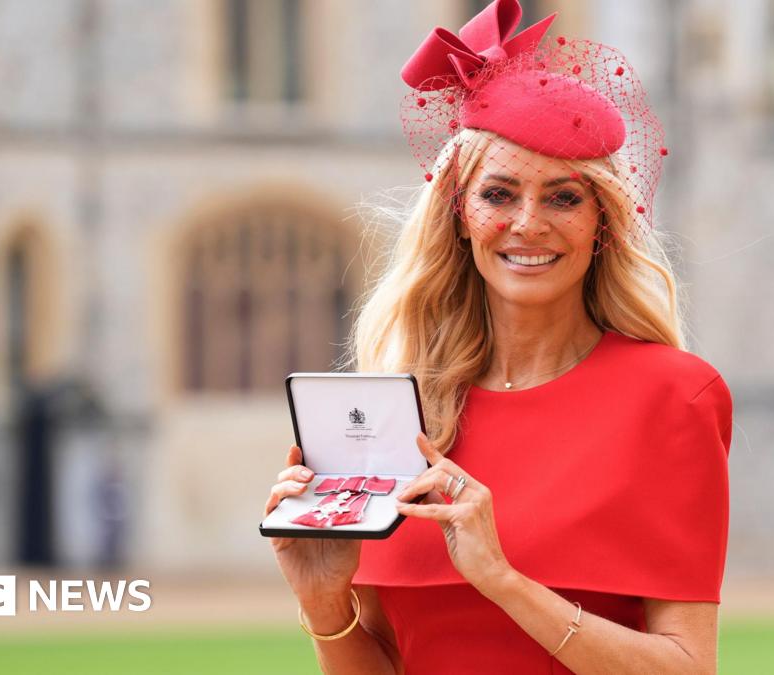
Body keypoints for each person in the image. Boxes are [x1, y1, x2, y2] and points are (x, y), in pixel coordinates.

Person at [262, 1, 733, 672]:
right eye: (499, 194)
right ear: (459, 215)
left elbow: (689, 667)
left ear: (604, 223)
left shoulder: (674, 397)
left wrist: (503, 579)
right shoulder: (402, 411)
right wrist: (323, 604)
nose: (528, 223)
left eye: (564, 197)